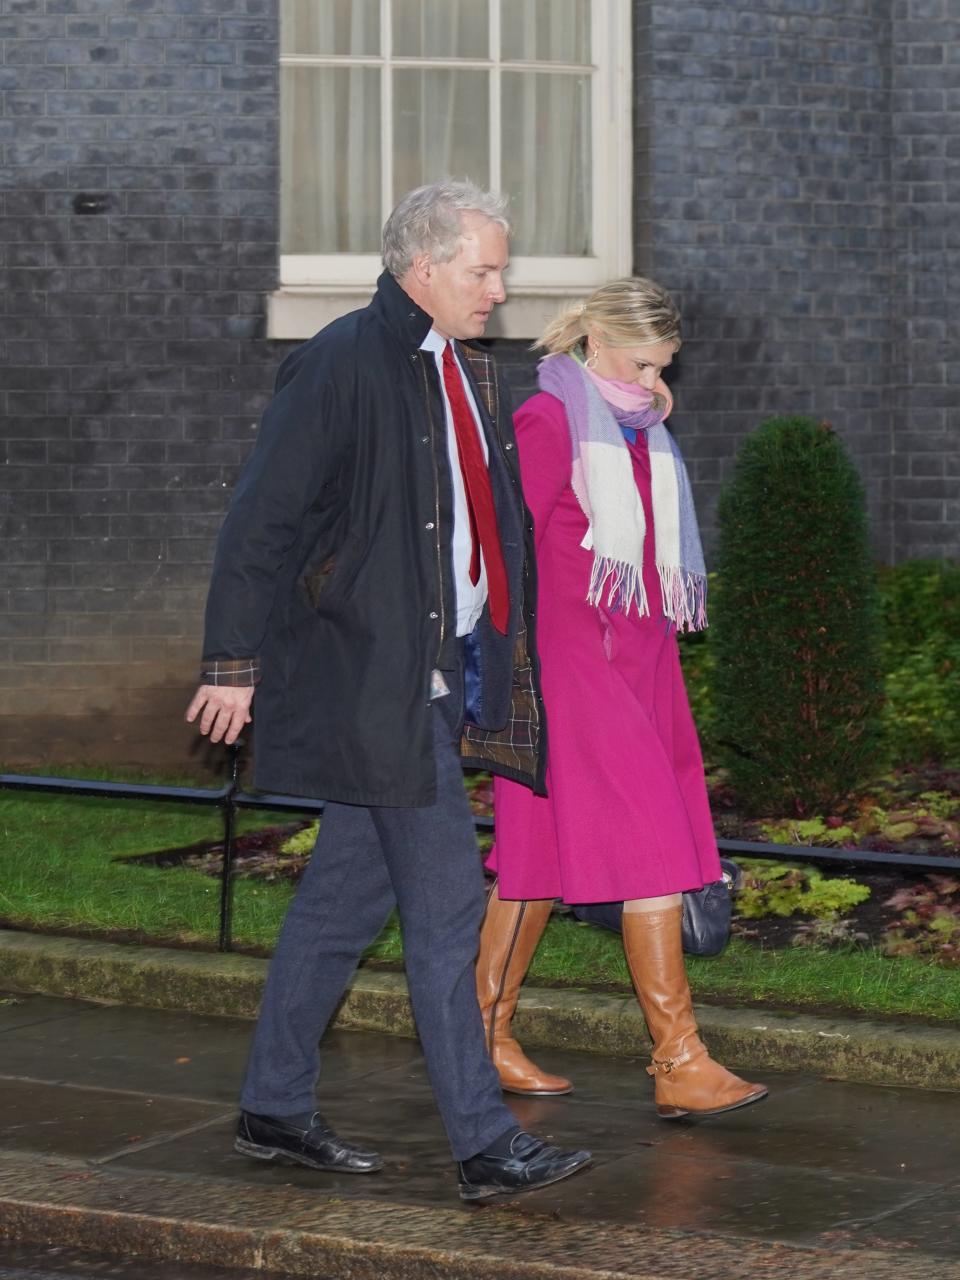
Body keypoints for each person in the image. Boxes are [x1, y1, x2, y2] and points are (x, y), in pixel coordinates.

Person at [185, 180, 591, 1202]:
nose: (499, 288)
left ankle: (274, 1103)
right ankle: (486, 1142)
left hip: (437, 672)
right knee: (450, 904)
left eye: (500, 269)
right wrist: (231, 665)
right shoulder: (339, 364)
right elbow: (260, 522)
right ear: (423, 266)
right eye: (483, 269)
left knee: (341, 901)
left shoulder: (458, 369)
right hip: (377, 681)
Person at [474, 278, 768, 1119]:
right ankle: (678, 1056)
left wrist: (649, 416)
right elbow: (507, 549)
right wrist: (504, 668)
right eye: (642, 364)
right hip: (573, 663)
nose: (653, 381)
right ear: (598, 344)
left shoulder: (635, 427)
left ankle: (481, 1034)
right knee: (650, 839)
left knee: (535, 850)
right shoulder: (547, 419)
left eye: (663, 367)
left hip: (641, 657)